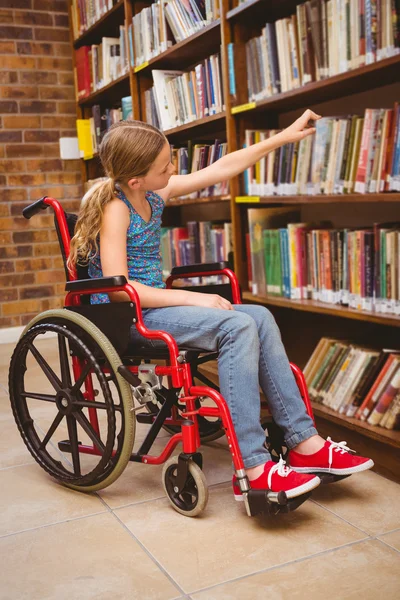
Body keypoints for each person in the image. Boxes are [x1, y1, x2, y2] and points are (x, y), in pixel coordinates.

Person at [68, 112, 374, 502]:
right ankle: (252, 467)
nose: (174, 170)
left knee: (258, 316)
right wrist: (194, 296)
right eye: (166, 166)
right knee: (237, 326)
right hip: (125, 317)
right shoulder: (117, 208)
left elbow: (223, 167)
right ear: (135, 180)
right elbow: (119, 289)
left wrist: (281, 137)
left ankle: (303, 443)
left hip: (155, 309)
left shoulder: (153, 193)